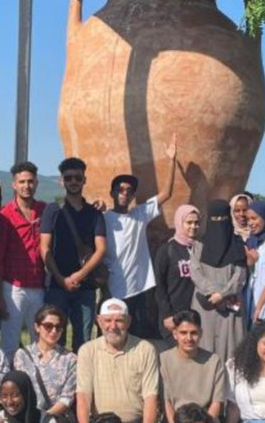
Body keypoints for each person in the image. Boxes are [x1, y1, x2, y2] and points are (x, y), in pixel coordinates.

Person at [101, 136, 181, 341]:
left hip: (140, 287)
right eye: (120, 190)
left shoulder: (140, 214)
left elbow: (167, 193)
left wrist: (171, 160)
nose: (124, 193)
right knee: (113, 335)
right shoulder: (104, 218)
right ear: (112, 193)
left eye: (129, 191)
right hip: (114, 286)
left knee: (138, 337)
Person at [76, 298, 160, 423]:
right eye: (107, 320)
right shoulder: (87, 351)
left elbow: (151, 397)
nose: (113, 326)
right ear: (99, 321)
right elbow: (83, 396)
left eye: (119, 321)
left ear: (128, 322)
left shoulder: (145, 349)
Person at [42, 157, 109, 351]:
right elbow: (44, 247)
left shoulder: (94, 213)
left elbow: (101, 248)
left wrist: (79, 275)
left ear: (84, 180)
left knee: (83, 340)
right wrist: (61, 278)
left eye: (77, 178)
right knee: (53, 338)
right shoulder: (52, 211)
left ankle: (81, 380)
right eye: (68, 177)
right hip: (56, 285)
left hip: (86, 287)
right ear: (61, 181)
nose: (73, 181)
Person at [157, 310, 231, 423]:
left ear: (201, 333)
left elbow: (217, 402)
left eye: (193, 333)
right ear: (175, 334)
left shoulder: (213, 360)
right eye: (183, 333)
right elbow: (166, 402)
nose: (189, 338)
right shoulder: (164, 359)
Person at [0, 161, 48, 356]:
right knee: (10, 341)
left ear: (37, 183)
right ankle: (9, 384)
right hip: (13, 286)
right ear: (13, 185)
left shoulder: (45, 210)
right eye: (22, 181)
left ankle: (36, 384)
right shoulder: (5, 215)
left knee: (40, 340)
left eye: (30, 181)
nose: (26, 186)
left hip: (39, 285)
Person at [188, 199, 248, 359]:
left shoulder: (236, 243)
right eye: (215, 219)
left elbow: (240, 275)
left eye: (223, 219)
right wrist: (214, 293)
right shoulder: (199, 244)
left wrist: (222, 295)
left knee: (231, 351)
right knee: (204, 347)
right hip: (205, 305)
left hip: (230, 305)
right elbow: (195, 273)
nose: (219, 224)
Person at [12, 304, 78, 418]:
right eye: (48, 326)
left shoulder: (70, 359)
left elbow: (67, 398)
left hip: (56, 421)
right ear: (37, 327)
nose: (54, 331)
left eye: (58, 327)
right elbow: (19, 390)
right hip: (27, 418)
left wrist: (45, 418)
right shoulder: (22, 355)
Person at [154, 204, 200, 341]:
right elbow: (159, 285)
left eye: (196, 223)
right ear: (180, 223)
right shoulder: (167, 250)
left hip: (196, 316)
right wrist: (166, 314)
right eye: (189, 222)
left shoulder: (201, 250)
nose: (193, 226)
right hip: (174, 316)